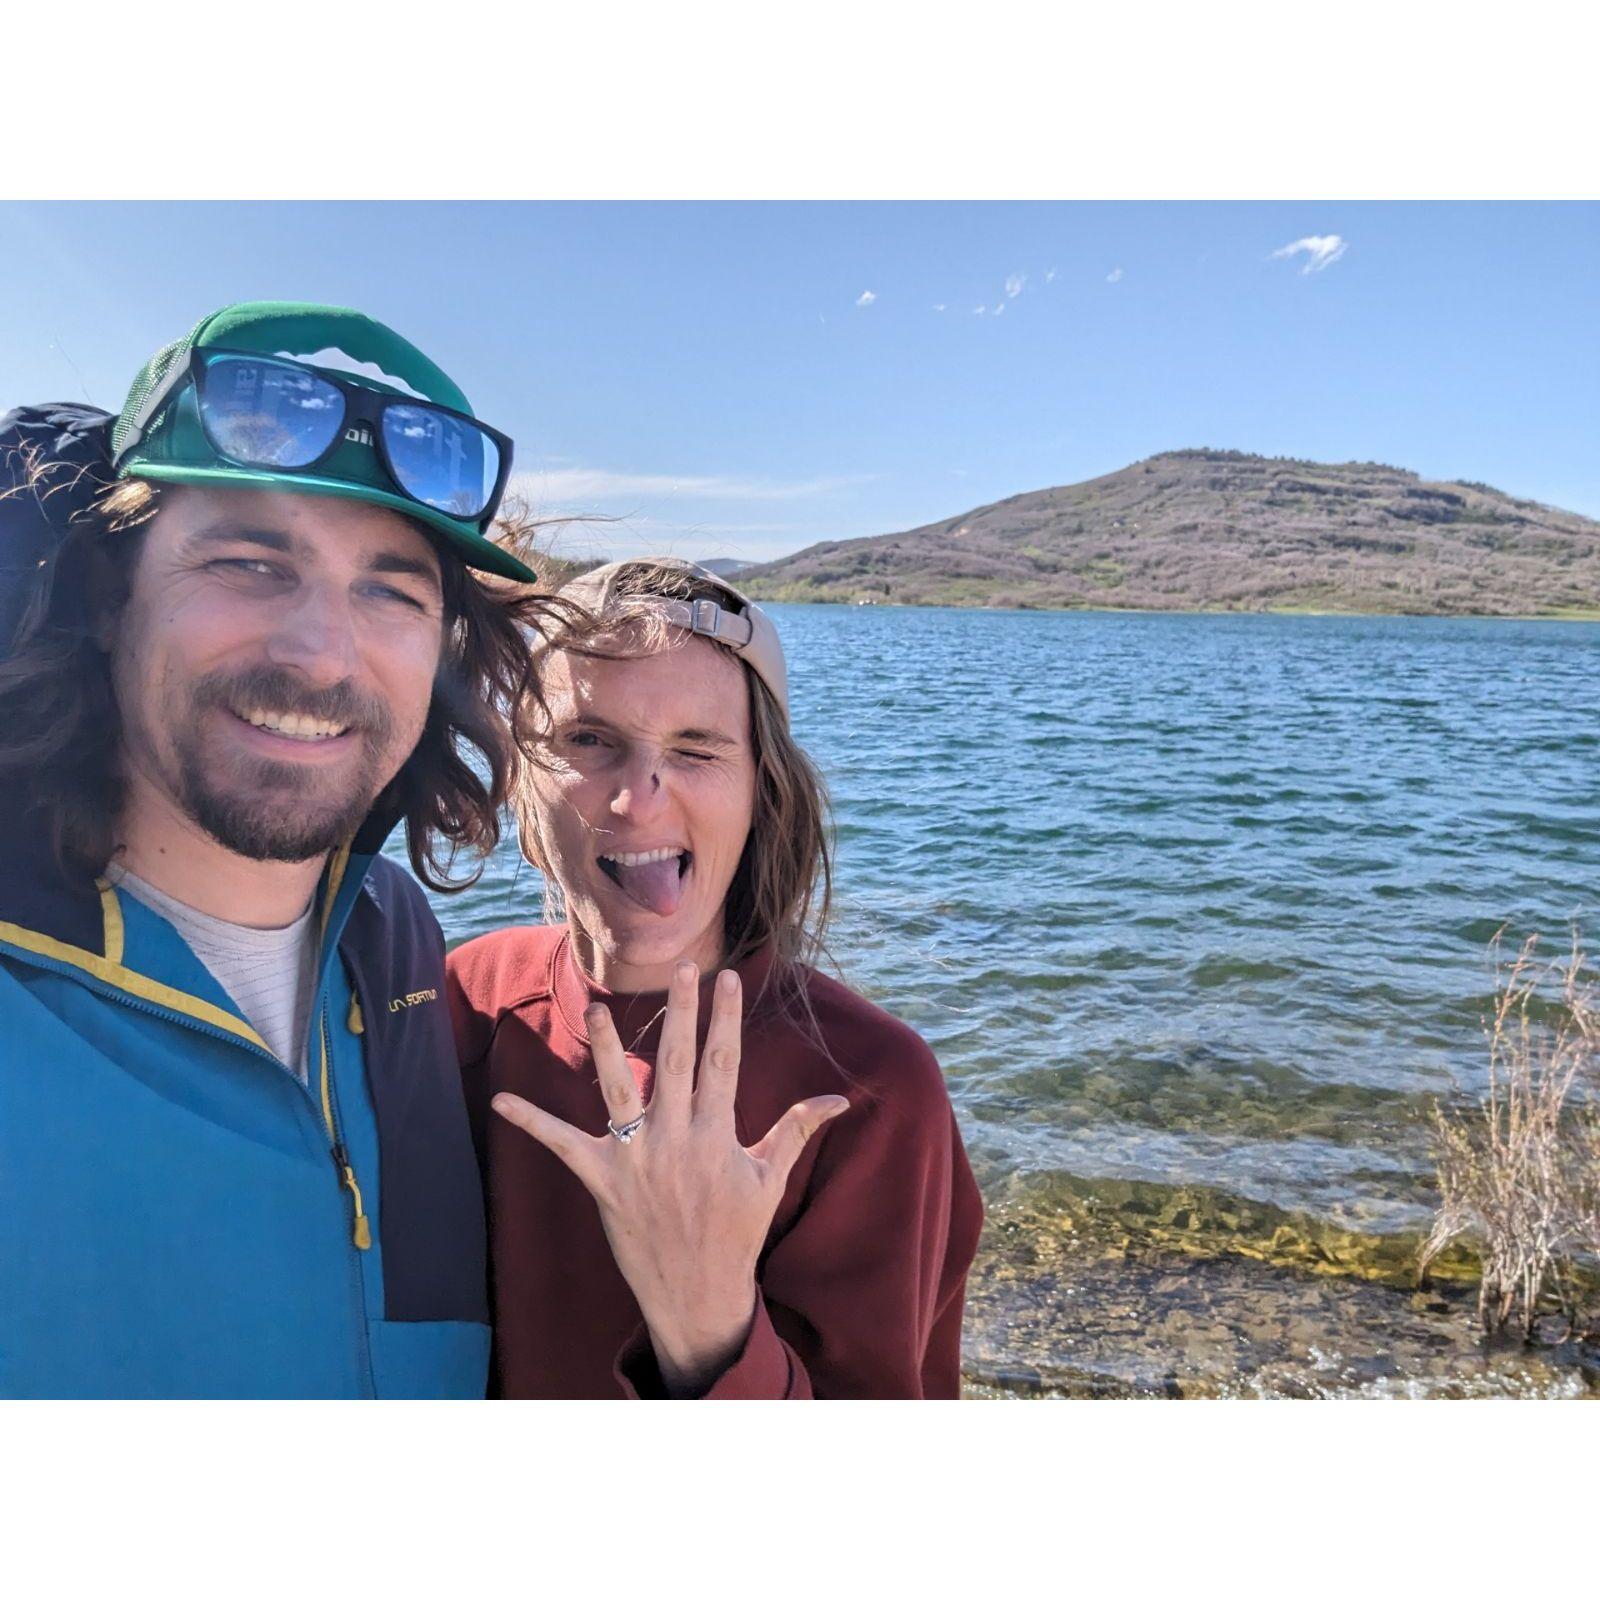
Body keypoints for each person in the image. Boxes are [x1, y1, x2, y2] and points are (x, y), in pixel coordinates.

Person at [0, 300, 557, 1398]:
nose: (319, 654)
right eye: (251, 563)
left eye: (391, 590)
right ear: (111, 596)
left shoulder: (394, 946)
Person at [446, 558, 985, 1398]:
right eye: (589, 740)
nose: (639, 799)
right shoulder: (467, 999)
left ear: (762, 794)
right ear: (521, 777)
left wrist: (707, 1323)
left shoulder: (867, 1090)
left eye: (696, 749)